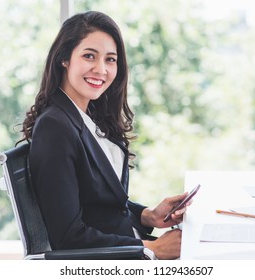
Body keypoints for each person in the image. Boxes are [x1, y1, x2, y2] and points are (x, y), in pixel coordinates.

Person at [19, 11, 191, 260]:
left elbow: (99, 205)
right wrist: (151, 249)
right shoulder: (55, 127)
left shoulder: (88, 115)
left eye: (110, 60)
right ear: (64, 59)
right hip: (117, 260)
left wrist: (149, 215)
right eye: (89, 56)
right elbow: (68, 237)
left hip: (128, 246)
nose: (101, 69)